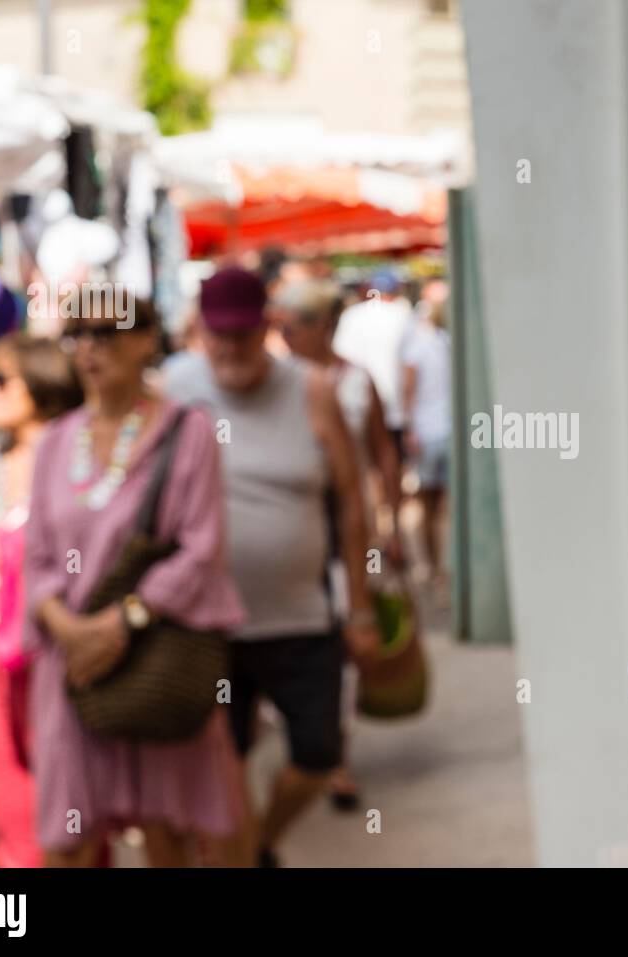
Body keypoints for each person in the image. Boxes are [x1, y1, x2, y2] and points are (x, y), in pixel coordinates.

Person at [162, 267, 381, 866]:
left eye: (243, 334)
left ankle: (254, 847)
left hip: (301, 616)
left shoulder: (311, 388)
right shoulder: (174, 390)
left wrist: (358, 604)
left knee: (318, 753)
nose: (232, 349)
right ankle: (238, 850)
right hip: (209, 626)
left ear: (268, 328)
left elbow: (352, 501)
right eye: (219, 337)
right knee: (222, 767)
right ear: (200, 333)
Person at [23, 295, 246, 867]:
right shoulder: (55, 442)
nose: (92, 347)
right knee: (66, 835)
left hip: (157, 656)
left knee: (167, 827)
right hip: (76, 666)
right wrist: (69, 628)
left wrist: (124, 621)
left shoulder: (186, 431)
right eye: (78, 334)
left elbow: (202, 550)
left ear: (148, 339)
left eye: (108, 331)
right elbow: (38, 558)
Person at [271, 277, 404, 809]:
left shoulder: (355, 382)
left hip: (344, 533)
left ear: (324, 326)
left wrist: (391, 525)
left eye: (294, 325)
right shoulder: (278, 382)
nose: (285, 335)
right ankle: (311, 748)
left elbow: (383, 454)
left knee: (348, 635)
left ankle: (335, 756)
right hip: (294, 532)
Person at [0, 333, 84, 868]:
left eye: (1, 380)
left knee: (70, 787)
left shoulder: (78, 452)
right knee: (9, 785)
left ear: (43, 384)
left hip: (62, 645)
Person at [332, 268, 414, 454]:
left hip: (361, 400)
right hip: (392, 402)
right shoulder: (403, 316)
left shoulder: (352, 316)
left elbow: (341, 357)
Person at [401, 293, 452, 582]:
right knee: (438, 507)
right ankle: (439, 570)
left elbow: (407, 389)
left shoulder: (420, 346)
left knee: (430, 506)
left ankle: (436, 569)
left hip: (428, 431)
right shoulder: (442, 344)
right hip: (442, 431)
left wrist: (409, 427)